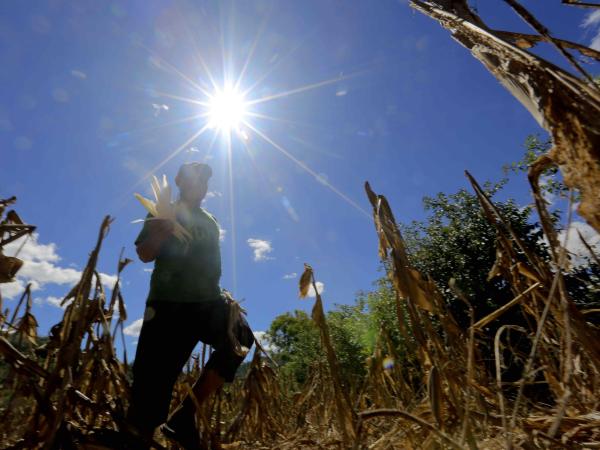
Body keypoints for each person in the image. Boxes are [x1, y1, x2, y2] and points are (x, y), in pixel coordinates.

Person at [127, 162, 253, 449]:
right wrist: (162, 230)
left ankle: (184, 417)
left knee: (241, 338)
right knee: (147, 400)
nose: (201, 186)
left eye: (205, 182)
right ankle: (137, 438)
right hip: (167, 306)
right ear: (180, 182)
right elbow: (145, 253)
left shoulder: (209, 221)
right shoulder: (161, 211)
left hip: (208, 302)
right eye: (194, 181)